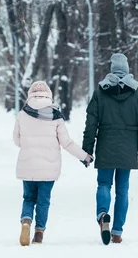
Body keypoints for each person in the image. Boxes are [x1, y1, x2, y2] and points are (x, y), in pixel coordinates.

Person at [82, 53, 138, 245]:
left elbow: (91, 124)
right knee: (122, 190)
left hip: (106, 145)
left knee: (104, 184)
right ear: (128, 69)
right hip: (128, 149)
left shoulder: (100, 92)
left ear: (112, 68)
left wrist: (87, 150)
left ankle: (103, 214)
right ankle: (117, 232)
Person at [14, 81, 92, 246]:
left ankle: (26, 221)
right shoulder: (55, 115)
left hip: (27, 165)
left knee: (28, 198)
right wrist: (84, 156)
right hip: (49, 168)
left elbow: (16, 140)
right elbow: (67, 143)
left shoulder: (22, 114)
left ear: (30, 94)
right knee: (43, 200)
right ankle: (39, 233)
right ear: (48, 95)